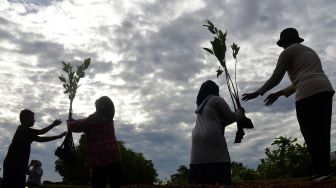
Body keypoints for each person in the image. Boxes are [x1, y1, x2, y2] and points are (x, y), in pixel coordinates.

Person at [242, 28, 334, 182]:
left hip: (307, 94)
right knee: (323, 131)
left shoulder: (287, 52)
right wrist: (279, 93)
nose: (282, 47)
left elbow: (276, 77)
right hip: (325, 89)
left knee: (310, 132)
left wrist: (258, 92)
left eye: (282, 44)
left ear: (284, 42)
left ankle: (320, 171)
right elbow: (304, 78)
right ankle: (324, 171)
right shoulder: (310, 52)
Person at [189, 80, 245, 187]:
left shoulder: (201, 106)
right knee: (222, 164)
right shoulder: (216, 99)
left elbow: (221, 121)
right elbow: (231, 117)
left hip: (196, 137)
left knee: (201, 180)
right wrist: (240, 112)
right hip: (212, 135)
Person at [67, 96, 122, 188]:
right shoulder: (109, 119)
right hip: (115, 156)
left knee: (98, 183)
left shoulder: (94, 119)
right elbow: (87, 120)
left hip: (99, 157)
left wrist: (69, 122)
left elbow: (75, 126)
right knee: (115, 183)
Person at [2, 109, 67, 188]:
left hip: (15, 164)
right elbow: (40, 139)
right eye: (32, 118)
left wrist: (53, 125)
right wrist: (58, 136)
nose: (34, 120)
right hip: (14, 165)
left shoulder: (24, 129)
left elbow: (41, 131)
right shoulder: (23, 130)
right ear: (26, 119)